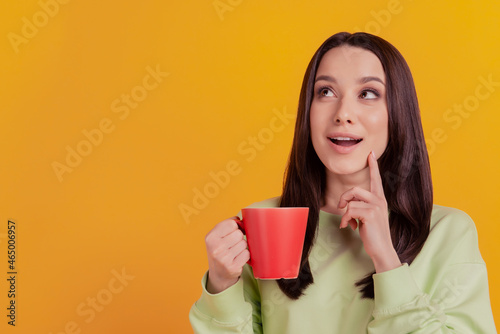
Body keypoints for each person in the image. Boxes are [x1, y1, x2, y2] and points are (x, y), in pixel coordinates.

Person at [188, 32, 497, 333]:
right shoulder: (265, 222)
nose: (343, 113)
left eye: (368, 93)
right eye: (325, 92)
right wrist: (222, 284)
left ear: (398, 113)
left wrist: (387, 261)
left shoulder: (447, 233)